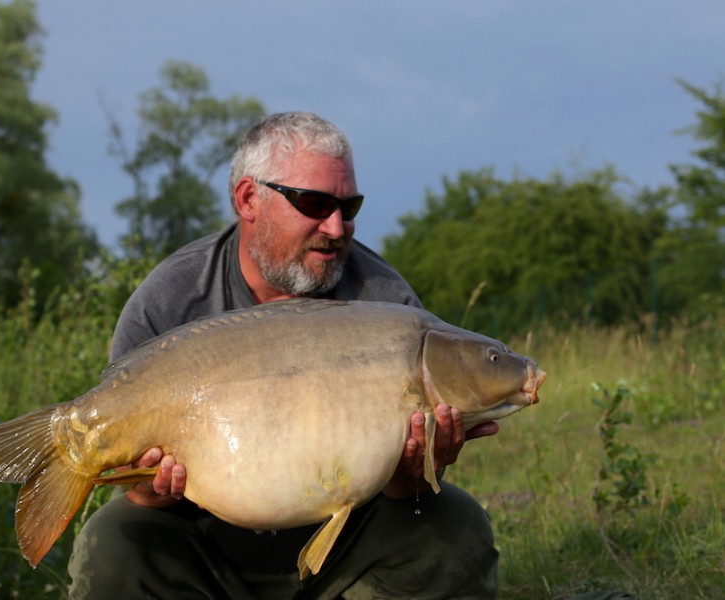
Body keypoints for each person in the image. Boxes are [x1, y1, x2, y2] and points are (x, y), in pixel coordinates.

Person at [66, 112, 626, 599]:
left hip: (344, 553)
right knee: (112, 540)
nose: (336, 228)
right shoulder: (170, 299)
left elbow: (400, 492)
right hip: (206, 549)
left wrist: (415, 468)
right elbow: (137, 491)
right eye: (314, 204)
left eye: (348, 206)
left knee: (455, 524)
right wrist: (147, 485)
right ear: (247, 200)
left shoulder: (386, 303)